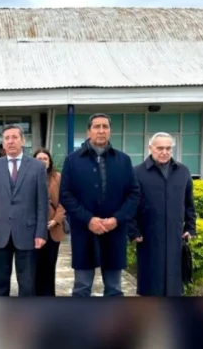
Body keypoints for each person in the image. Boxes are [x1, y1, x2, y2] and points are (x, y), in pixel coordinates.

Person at [59, 113, 141, 297]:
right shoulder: (73, 160)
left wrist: (116, 219)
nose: (101, 131)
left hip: (114, 232)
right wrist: (88, 219)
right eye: (97, 126)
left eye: (105, 127)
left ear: (110, 131)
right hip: (84, 231)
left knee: (114, 289)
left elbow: (134, 194)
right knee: (81, 287)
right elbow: (65, 194)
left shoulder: (123, 160)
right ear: (89, 131)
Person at [0, 124, 48, 297]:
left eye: (14, 137)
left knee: (27, 284)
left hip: (27, 232)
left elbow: (41, 203)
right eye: (6, 138)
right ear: (3, 143)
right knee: (0, 284)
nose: (10, 141)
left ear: (23, 140)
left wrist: (41, 233)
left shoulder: (36, 167)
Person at [128, 132, 197, 296]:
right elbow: (129, 205)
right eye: (160, 148)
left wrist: (191, 228)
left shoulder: (183, 172)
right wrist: (133, 231)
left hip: (175, 237)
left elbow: (189, 204)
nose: (164, 152)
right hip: (148, 238)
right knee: (150, 284)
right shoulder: (137, 173)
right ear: (150, 148)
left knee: (174, 285)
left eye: (168, 148)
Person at [33, 148, 66, 296]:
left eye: (45, 159)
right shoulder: (27, 177)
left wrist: (55, 220)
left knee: (49, 265)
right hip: (33, 230)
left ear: (49, 161)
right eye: (38, 159)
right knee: (34, 266)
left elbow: (64, 202)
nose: (42, 161)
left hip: (53, 228)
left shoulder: (58, 177)